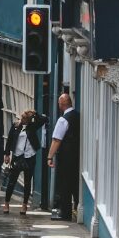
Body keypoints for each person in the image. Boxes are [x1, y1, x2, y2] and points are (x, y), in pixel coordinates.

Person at [3, 109, 48, 214]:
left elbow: (44, 119)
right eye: (21, 118)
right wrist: (7, 154)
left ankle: (24, 205)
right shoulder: (15, 126)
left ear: (28, 120)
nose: (21, 120)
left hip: (29, 156)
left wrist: (35, 114)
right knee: (12, 181)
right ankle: (6, 203)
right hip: (17, 156)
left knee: (28, 182)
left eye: (24, 118)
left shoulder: (32, 126)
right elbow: (9, 140)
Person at [47, 92, 80, 221]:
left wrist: (49, 157)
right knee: (75, 183)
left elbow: (56, 140)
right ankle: (77, 207)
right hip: (77, 155)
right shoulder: (78, 116)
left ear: (61, 105)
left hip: (66, 156)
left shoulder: (63, 120)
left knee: (65, 184)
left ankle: (65, 213)